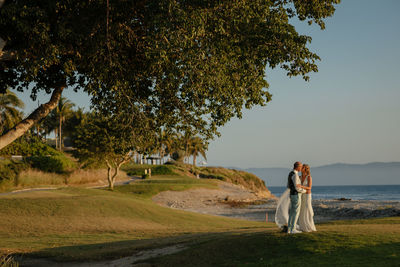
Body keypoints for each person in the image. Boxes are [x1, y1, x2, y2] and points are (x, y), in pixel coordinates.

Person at [275, 161, 306, 234]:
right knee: (295, 213)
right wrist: (304, 191)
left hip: (292, 195)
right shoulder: (295, 175)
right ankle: (293, 229)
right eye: (300, 167)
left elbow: (288, 186)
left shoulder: (290, 174)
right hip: (296, 195)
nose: (301, 168)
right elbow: (297, 188)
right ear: (297, 167)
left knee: (292, 212)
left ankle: (289, 229)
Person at [298, 164, 317, 232]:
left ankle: (309, 225)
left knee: (307, 209)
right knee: (302, 210)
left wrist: (301, 186)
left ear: (305, 169)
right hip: (301, 195)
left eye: (302, 167)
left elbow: (309, 187)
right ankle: (303, 226)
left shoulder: (309, 177)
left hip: (307, 196)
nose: (301, 168)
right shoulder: (299, 177)